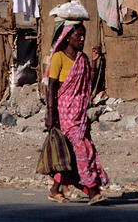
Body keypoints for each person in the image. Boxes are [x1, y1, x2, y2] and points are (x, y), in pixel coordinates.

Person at [44, 20, 108, 205]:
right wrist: (50, 115)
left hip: (80, 113)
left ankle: (55, 190)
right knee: (82, 149)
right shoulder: (58, 58)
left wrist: (94, 63)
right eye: (77, 35)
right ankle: (93, 192)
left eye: (83, 36)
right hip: (65, 113)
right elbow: (51, 88)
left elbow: (88, 83)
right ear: (67, 37)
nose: (81, 39)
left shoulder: (83, 58)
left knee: (70, 152)